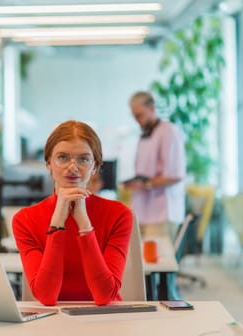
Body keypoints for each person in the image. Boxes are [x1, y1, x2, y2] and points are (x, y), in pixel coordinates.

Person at [12, 120, 133, 306]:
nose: (72, 167)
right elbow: (46, 296)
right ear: (48, 164)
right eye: (62, 157)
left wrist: (84, 225)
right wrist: (57, 222)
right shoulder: (25, 220)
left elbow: (104, 296)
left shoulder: (119, 215)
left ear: (95, 166)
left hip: (106, 320)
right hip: (52, 321)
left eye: (83, 159)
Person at [124, 91, 186, 241]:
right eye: (135, 117)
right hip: (142, 211)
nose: (137, 121)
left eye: (140, 115)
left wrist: (146, 184)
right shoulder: (144, 135)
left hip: (162, 212)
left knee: (159, 262)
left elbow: (175, 175)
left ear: (152, 109)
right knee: (141, 261)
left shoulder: (168, 131)